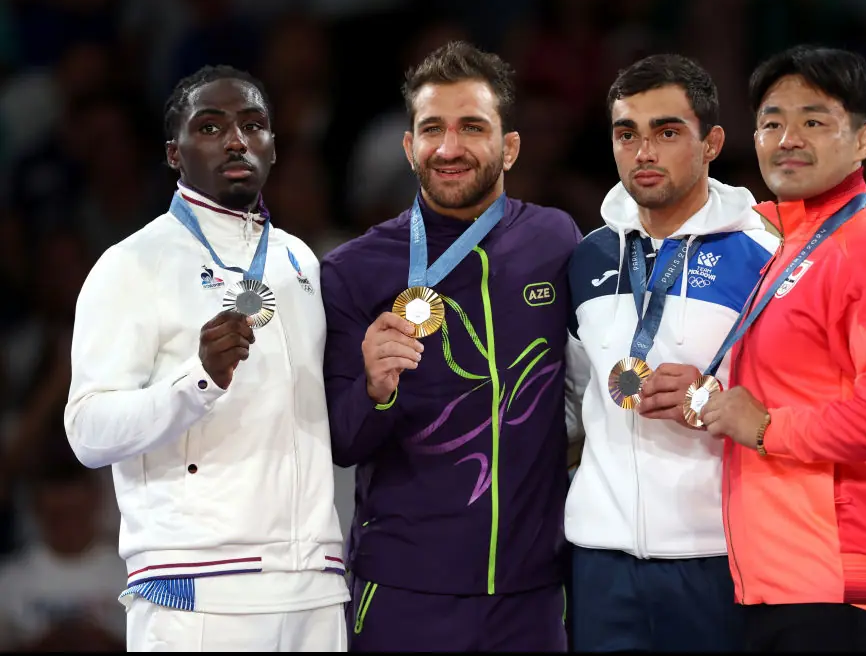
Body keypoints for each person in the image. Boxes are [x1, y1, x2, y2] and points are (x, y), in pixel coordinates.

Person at [64, 65, 349, 652]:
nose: (237, 140)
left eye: (253, 125)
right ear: (175, 152)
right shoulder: (131, 264)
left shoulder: (302, 262)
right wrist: (196, 382)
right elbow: (86, 432)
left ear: (273, 144)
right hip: (198, 583)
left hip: (315, 581)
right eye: (211, 126)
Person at [321, 40, 580, 652]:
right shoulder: (354, 270)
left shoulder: (556, 240)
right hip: (406, 589)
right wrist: (375, 390)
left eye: (472, 127)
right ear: (410, 147)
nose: (449, 148)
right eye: (432, 129)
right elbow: (341, 439)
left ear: (509, 147)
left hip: (534, 592)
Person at [691, 45, 866, 651]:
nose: (788, 138)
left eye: (814, 120)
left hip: (837, 584)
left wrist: (766, 428)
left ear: (864, 141)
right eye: (772, 122)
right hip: (788, 580)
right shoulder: (788, 242)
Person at [562, 53, 780, 652]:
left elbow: (799, 401)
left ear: (711, 142)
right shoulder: (588, 258)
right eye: (627, 133)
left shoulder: (765, 259)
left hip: (718, 553)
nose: (644, 151)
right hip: (599, 555)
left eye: (667, 131)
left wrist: (715, 400)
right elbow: (574, 400)